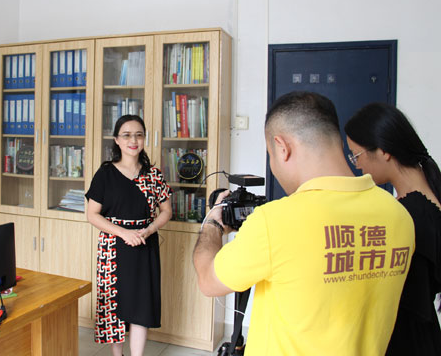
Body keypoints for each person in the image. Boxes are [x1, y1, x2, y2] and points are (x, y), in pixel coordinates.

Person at [193, 91, 415, 355]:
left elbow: (208, 280)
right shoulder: (399, 215)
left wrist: (213, 223)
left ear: (282, 147)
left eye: (270, 154)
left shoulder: (273, 222)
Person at [345, 102, 441, 355]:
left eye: (356, 155)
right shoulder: (425, 202)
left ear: (384, 151)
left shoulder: (408, 214)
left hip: (405, 342)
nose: (357, 165)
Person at [85, 114, 172, 356]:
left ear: (144, 139)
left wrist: (149, 230)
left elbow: (166, 211)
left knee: (141, 306)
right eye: (126, 135)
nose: (133, 140)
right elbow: (92, 215)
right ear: (117, 140)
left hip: (144, 243)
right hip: (113, 246)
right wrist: (124, 233)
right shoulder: (105, 174)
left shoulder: (153, 175)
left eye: (138, 135)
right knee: (116, 305)